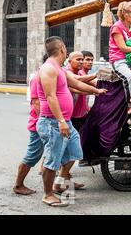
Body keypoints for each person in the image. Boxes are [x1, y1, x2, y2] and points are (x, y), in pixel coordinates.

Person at [37, 36, 107, 207]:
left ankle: (60, 182)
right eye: (66, 47)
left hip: (65, 121)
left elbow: (76, 83)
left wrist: (96, 91)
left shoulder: (59, 69)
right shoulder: (48, 69)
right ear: (61, 48)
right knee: (52, 159)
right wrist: (60, 120)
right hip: (53, 122)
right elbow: (50, 96)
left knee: (75, 152)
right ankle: (48, 194)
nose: (66, 50)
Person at [13, 54, 48, 195]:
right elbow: (36, 102)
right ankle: (18, 185)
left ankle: (57, 183)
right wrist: (44, 120)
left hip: (47, 122)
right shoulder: (37, 76)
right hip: (39, 123)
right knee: (33, 154)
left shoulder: (48, 74)